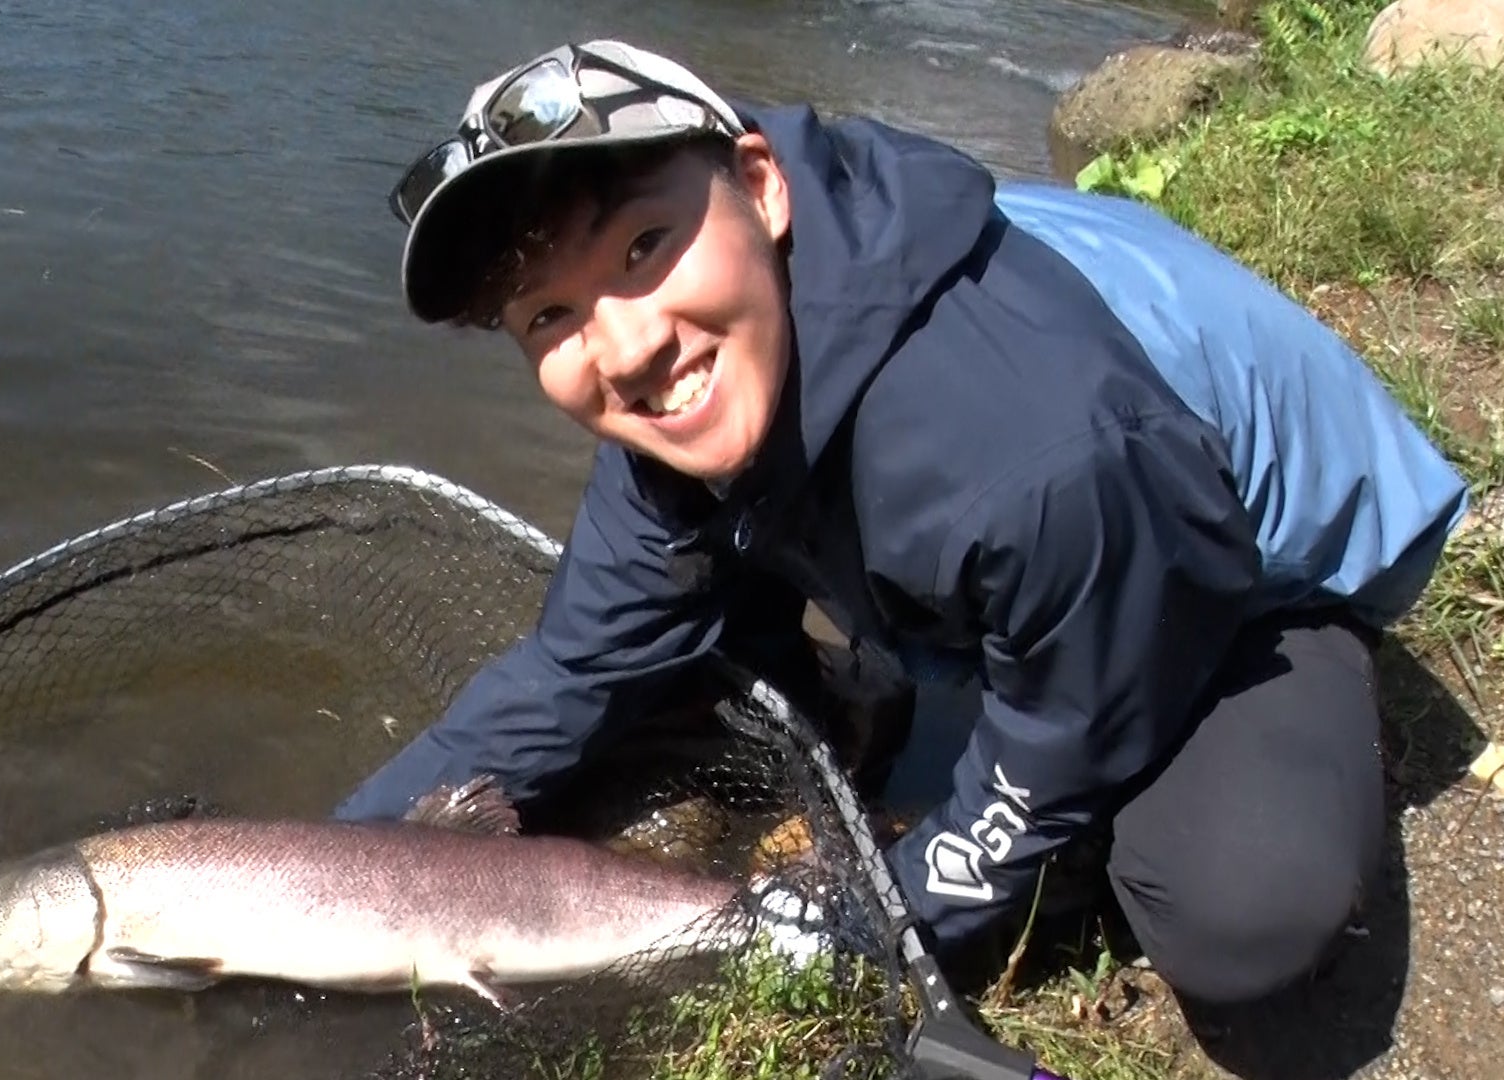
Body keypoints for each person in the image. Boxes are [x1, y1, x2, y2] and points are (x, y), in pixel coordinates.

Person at [332, 39, 1469, 1009]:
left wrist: (861, 916)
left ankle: (1281, 709)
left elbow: (1054, 747)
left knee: (1241, 909)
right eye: (552, 315)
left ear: (762, 187)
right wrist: (332, 868)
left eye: (644, 247)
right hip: (1065, 517)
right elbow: (570, 670)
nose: (628, 348)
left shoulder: (1028, 454)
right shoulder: (694, 387)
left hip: (1245, 573)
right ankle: (884, 693)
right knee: (647, 666)